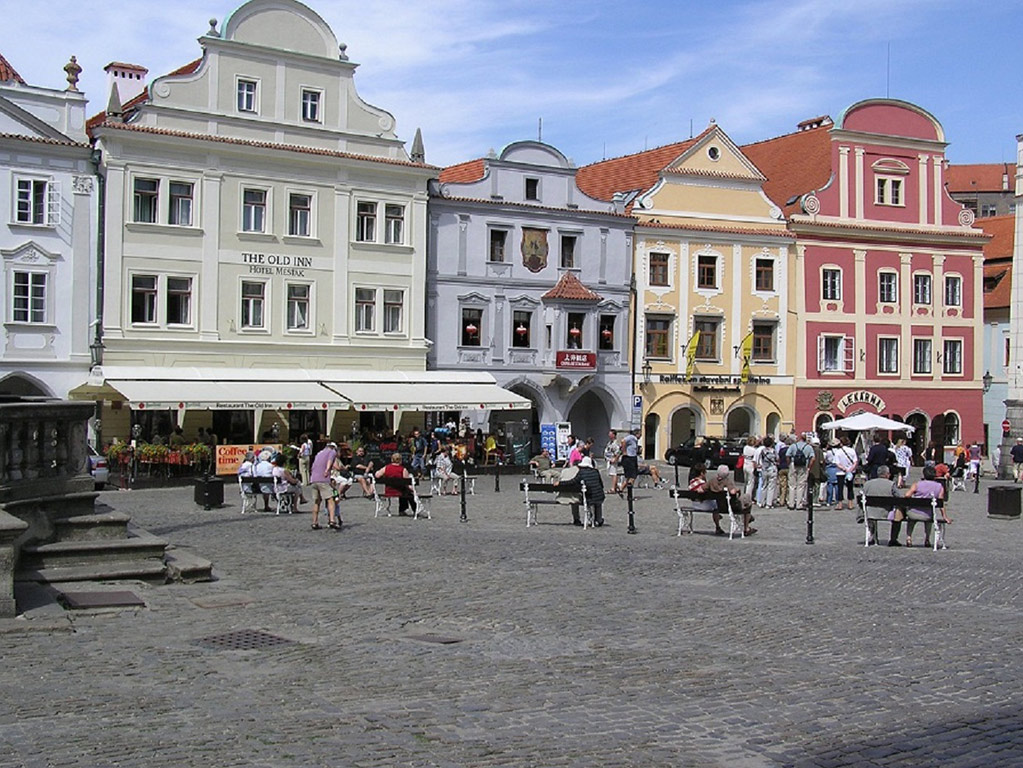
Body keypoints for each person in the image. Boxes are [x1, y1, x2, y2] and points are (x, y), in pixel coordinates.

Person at [905, 464, 951, 547]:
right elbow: (941, 503)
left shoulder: (917, 484)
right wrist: (945, 516)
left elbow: (907, 495)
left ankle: (909, 537)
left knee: (911, 519)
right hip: (928, 514)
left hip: (913, 513)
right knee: (930, 515)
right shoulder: (939, 486)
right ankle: (927, 538)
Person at [554, 455, 606, 526]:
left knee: (580, 498)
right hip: (599, 495)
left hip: (589, 497)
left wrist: (560, 483)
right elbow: (601, 484)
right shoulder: (596, 471)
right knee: (598, 502)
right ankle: (599, 519)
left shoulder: (581, 472)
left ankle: (581, 519)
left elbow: (572, 481)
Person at [707, 464, 756, 536]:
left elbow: (702, 488)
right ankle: (746, 528)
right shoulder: (727, 481)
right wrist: (737, 490)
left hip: (717, 506)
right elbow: (732, 492)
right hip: (730, 507)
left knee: (716, 506)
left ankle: (717, 527)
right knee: (747, 502)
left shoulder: (712, 481)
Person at [860, 465, 902, 546]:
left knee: (871, 512)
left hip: (870, 512)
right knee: (898, 513)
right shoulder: (891, 484)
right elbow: (898, 498)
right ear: (887, 474)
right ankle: (893, 539)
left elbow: (861, 497)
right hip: (886, 512)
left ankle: (873, 537)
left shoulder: (868, 483)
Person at [309, 442, 341, 530]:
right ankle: (332, 521)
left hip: (314, 479)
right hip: (323, 479)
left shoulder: (319, 453)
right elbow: (330, 461)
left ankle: (314, 522)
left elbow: (313, 465)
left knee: (317, 501)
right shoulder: (332, 452)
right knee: (331, 500)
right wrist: (327, 470)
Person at [786, 434, 813, 510]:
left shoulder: (793, 446)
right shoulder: (808, 447)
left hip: (793, 464)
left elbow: (787, 455)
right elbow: (812, 458)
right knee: (801, 486)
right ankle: (799, 504)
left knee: (792, 485)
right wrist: (809, 467)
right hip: (803, 466)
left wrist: (789, 464)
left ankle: (791, 503)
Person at [832, 436, 859, 510]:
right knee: (850, 487)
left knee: (840, 488)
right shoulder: (852, 450)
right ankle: (850, 503)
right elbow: (855, 461)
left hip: (840, 472)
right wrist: (850, 469)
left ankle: (840, 504)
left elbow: (837, 463)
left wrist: (844, 469)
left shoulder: (838, 452)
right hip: (851, 471)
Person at [758, 436, 778, 508]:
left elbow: (760, 459)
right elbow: (777, 459)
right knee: (771, 487)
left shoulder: (762, 451)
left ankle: (762, 502)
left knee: (764, 486)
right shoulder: (774, 451)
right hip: (772, 469)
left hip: (764, 469)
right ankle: (768, 503)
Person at [603, 430, 622, 494]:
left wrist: (615, 459)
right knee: (611, 474)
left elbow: (618, 452)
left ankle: (613, 488)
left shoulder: (615, 443)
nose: (609, 435)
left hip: (613, 461)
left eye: (610, 434)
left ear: (614, 435)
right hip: (609, 460)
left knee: (613, 474)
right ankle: (616, 487)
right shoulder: (610, 442)